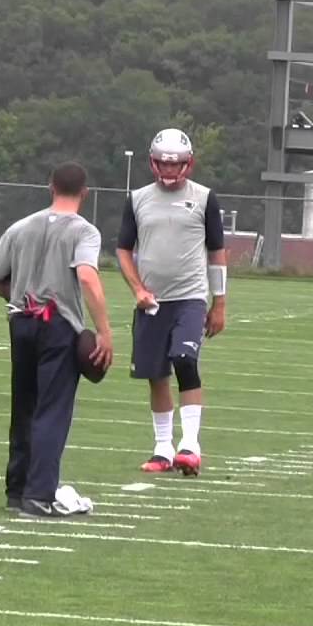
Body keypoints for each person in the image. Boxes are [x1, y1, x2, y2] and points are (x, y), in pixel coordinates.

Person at [0, 162, 113, 517]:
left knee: (23, 406)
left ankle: (17, 489)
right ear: (84, 193)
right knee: (52, 411)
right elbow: (86, 277)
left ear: (50, 186)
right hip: (58, 324)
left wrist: (18, 294)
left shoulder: (21, 226)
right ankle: (39, 495)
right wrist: (103, 330)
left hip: (21, 320)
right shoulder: (84, 231)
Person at [117, 128, 228, 476]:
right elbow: (123, 250)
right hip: (151, 302)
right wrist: (137, 288)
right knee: (156, 375)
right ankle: (163, 449)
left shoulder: (205, 198)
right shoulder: (137, 199)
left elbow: (217, 252)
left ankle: (190, 445)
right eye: (163, 164)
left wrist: (219, 303)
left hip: (190, 298)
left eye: (175, 164)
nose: (168, 170)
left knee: (184, 359)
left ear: (188, 163)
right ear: (153, 163)